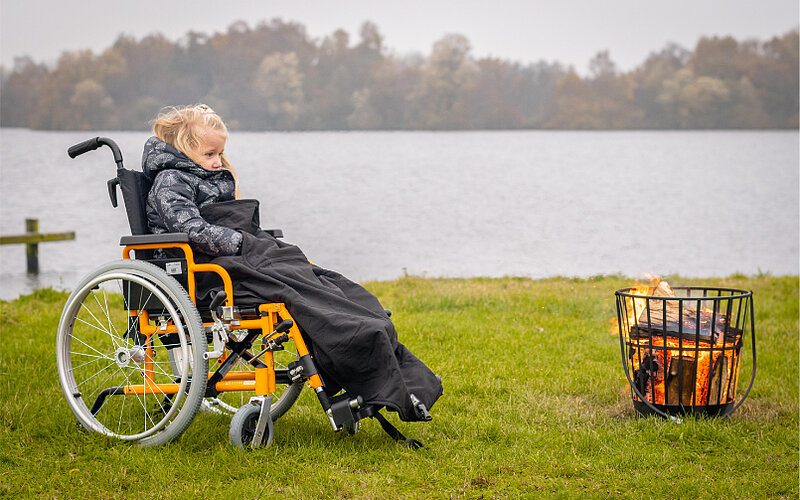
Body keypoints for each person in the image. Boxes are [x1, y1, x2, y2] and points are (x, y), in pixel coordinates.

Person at [143, 104, 442, 423]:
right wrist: (240, 241)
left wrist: (248, 241)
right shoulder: (170, 181)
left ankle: (366, 324)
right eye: (210, 154)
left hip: (233, 257)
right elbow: (192, 231)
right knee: (298, 291)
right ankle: (360, 339)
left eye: (221, 153)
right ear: (185, 150)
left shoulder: (207, 176)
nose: (218, 161)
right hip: (204, 273)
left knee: (317, 277)